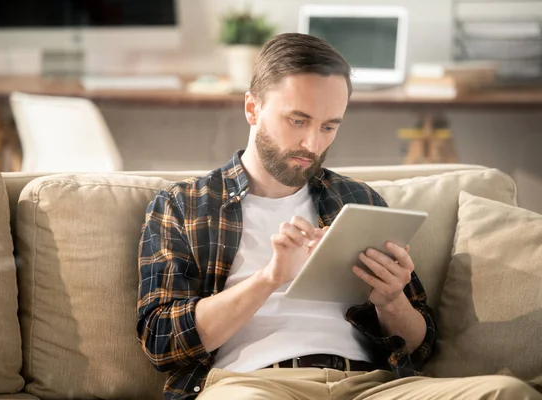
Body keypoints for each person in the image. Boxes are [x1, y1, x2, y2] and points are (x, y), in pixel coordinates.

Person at [137, 33, 541, 400]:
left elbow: (419, 346)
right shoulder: (184, 204)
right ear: (252, 108)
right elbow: (161, 343)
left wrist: (391, 300)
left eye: (330, 126)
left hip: (371, 386)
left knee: (507, 393)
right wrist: (270, 278)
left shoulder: (358, 200)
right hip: (255, 385)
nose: (313, 143)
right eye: (298, 120)